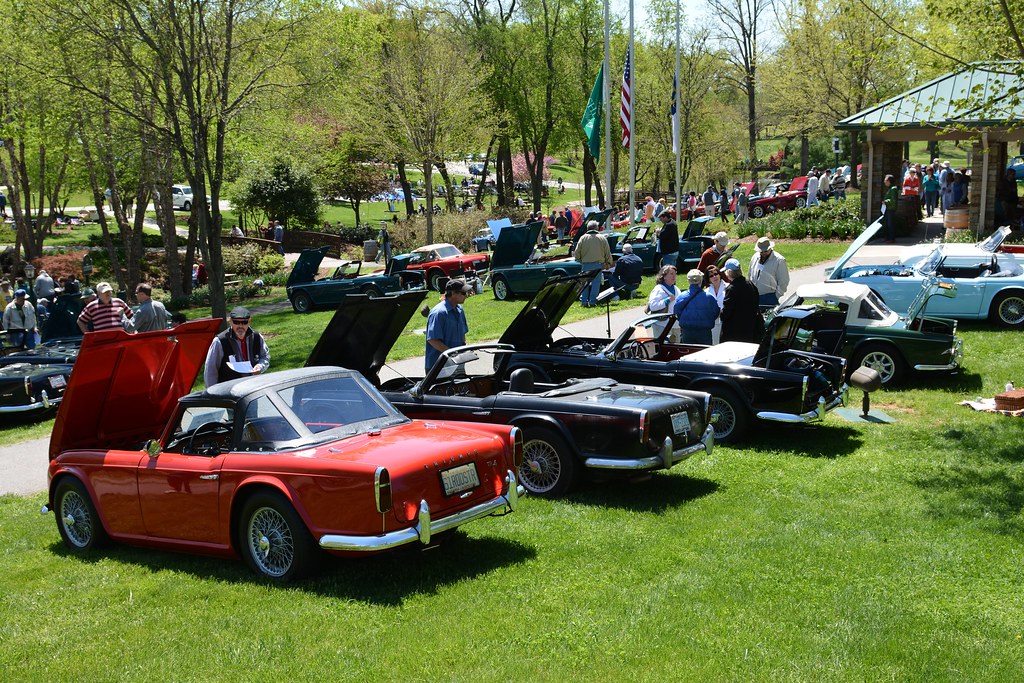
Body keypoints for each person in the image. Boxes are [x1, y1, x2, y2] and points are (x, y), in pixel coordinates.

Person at [203, 306, 270, 387]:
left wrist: (260, 366)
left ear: (249, 321)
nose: (240, 326)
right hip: (228, 390)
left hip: (252, 387)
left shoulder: (257, 337)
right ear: (230, 321)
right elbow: (211, 370)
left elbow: (265, 356)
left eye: (244, 322)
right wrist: (212, 393)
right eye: (236, 322)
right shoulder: (220, 341)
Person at [425, 279, 472, 370]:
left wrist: (464, 351)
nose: (466, 296)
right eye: (463, 293)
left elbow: (462, 334)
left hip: (458, 363)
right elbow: (433, 340)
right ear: (453, 293)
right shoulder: (439, 313)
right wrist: (453, 354)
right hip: (439, 367)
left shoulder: (460, 310)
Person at [673, 269, 719, 345]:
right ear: (701, 280)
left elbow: (677, 312)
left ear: (688, 281)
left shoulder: (681, 297)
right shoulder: (709, 297)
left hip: (687, 332)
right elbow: (715, 312)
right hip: (704, 332)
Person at [720, 259, 762, 343]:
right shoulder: (750, 284)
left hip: (734, 332)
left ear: (729, 273)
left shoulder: (731, 289)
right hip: (750, 328)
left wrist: (721, 314)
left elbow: (726, 312)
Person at [574, 220, 613, 307]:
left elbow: (577, 252)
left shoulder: (583, 238)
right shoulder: (602, 238)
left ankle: (584, 302)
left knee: (585, 284)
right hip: (597, 264)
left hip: (585, 264)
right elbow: (607, 252)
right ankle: (592, 302)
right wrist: (608, 262)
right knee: (596, 284)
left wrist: (579, 259)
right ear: (596, 228)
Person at [748, 237, 790, 308]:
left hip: (770, 297)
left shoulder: (779, 260)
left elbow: (784, 281)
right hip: (754, 296)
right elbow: (750, 274)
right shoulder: (755, 257)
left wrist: (776, 296)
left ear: (770, 248)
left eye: (766, 251)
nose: (763, 253)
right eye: (761, 252)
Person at [647, 265, 681, 341]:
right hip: (662, 326)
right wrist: (667, 300)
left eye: (675, 273)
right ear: (664, 276)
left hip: (675, 325)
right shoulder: (658, 289)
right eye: (671, 274)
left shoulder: (676, 288)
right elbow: (653, 306)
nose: (674, 276)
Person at [705, 265, 727, 344]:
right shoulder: (706, 292)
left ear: (720, 274)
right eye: (711, 276)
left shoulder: (728, 287)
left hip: (725, 323)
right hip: (712, 324)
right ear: (709, 279)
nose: (714, 276)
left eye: (716, 274)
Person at [882, 173, 899, 243]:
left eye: (885, 180)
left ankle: (892, 238)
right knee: (887, 223)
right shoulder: (890, 189)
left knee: (890, 224)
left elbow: (893, 200)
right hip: (887, 208)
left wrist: (886, 202)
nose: (884, 182)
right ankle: (888, 237)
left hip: (891, 208)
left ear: (889, 181)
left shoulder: (893, 189)